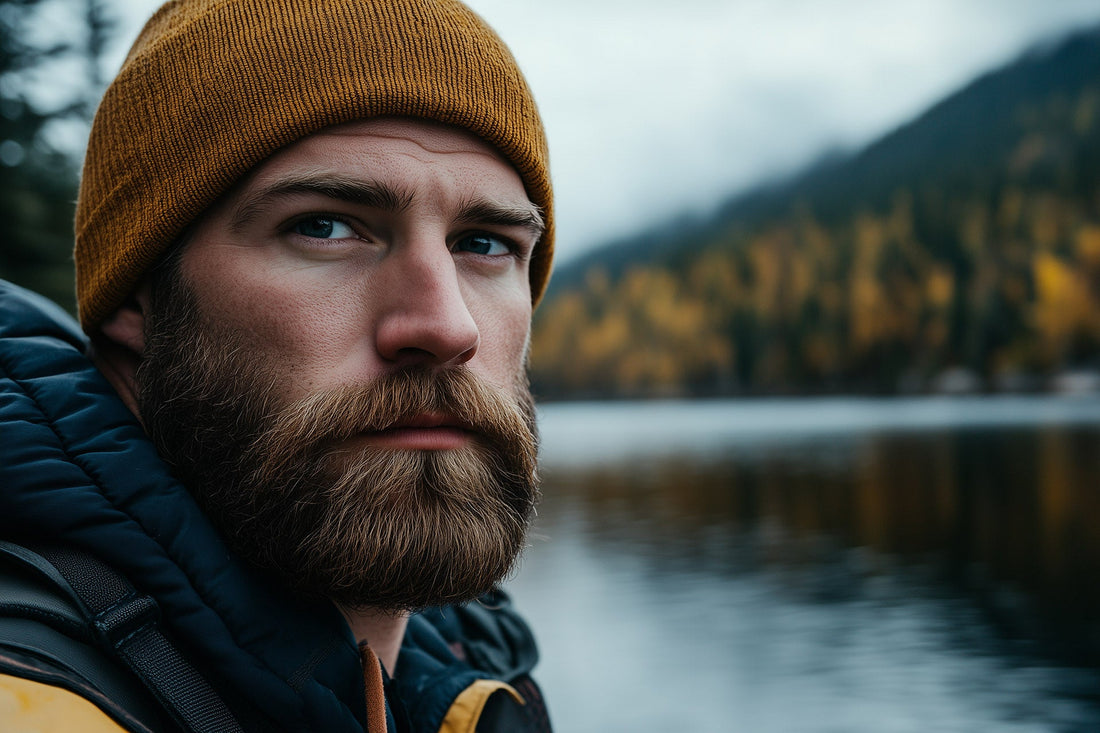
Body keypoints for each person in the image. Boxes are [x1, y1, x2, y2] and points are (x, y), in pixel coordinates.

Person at [0, 0, 554, 731]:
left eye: (484, 243)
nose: (447, 326)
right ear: (137, 298)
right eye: (323, 227)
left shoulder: (465, 671)